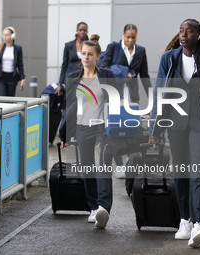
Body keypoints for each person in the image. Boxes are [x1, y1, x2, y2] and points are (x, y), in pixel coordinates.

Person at [149, 19, 200, 248]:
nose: (184, 34)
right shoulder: (169, 59)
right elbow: (160, 94)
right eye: (181, 31)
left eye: (189, 31)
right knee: (181, 173)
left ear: (198, 35)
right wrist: (155, 130)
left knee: (198, 173)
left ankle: (199, 224)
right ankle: (185, 220)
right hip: (175, 125)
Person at [59, 40, 118, 229]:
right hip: (83, 128)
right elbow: (68, 109)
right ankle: (93, 207)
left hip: (102, 128)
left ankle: (103, 207)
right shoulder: (74, 77)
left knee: (102, 167)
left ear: (98, 56)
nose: (86, 57)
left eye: (90, 54)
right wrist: (65, 134)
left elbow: (116, 102)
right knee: (88, 169)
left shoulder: (107, 76)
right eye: (83, 53)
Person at [100, 24, 151, 103]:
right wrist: (119, 75)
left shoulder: (141, 51)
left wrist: (152, 97)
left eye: (133, 37)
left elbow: (144, 76)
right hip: (115, 94)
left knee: (133, 114)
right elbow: (103, 68)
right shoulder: (113, 47)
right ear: (123, 35)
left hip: (132, 95)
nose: (130, 40)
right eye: (128, 37)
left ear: (136, 36)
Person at [56, 22, 89, 95]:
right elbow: (64, 65)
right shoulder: (68, 46)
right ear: (77, 31)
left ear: (87, 31)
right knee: (70, 100)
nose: (82, 32)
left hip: (84, 77)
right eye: (80, 30)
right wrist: (60, 84)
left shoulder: (90, 46)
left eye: (84, 30)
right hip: (70, 77)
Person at [0, 27, 25, 96]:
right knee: (2, 97)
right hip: (0, 77)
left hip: (12, 78)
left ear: (12, 36)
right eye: (4, 35)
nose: (5, 37)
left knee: (10, 100)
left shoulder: (18, 49)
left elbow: (20, 64)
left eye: (7, 35)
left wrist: (22, 78)